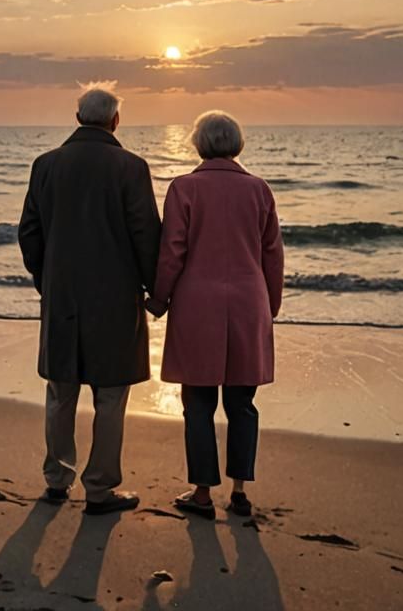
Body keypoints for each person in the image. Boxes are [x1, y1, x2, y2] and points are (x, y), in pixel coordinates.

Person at [18, 84, 161, 515]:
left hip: (62, 295)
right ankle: (99, 488)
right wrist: (157, 288)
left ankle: (57, 480)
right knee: (111, 396)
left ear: (78, 117)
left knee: (61, 392)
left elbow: (29, 232)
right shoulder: (131, 167)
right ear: (115, 121)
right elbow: (146, 235)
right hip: (115, 299)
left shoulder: (45, 165)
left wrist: (47, 279)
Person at [146, 111, 284, 520]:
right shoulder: (259, 190)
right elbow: (272, 254)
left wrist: (159, 299)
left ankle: (202, 491)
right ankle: (240, 491)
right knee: (242, 402)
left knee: (198, 401)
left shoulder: (184, 188)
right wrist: (270, 305)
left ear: (198, 144)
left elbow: (173, 251)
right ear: (237, 143)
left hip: (196, 304)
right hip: (248, 301)